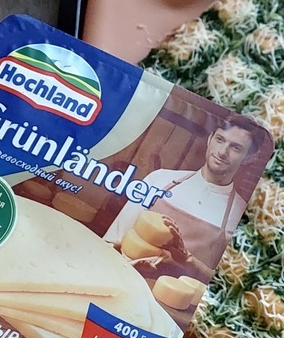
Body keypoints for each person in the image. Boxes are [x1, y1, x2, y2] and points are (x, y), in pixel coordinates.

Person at [104, 115, 264, 274]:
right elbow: (111, 241)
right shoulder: (159, 179)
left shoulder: (241, 217)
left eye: (236, 148)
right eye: (220, 140)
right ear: (210, 139)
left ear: (249, 158)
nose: (222, 152)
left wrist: (186, 261)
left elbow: (222, 279)